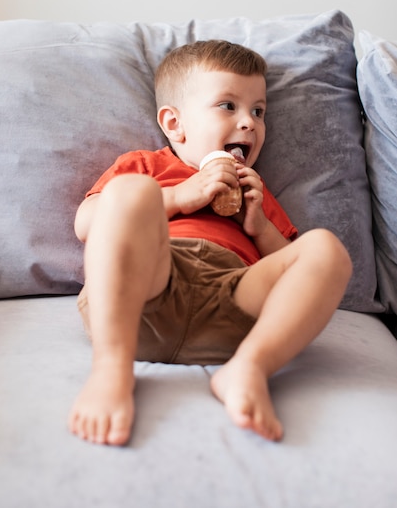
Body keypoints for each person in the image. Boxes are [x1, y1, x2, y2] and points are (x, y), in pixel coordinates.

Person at [68, 40, 352, 446]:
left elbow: (293, 271)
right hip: (146, 292)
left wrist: (259, 229)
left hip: (232, 301)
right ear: (175, 123)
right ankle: (111, 369)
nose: (249, 123)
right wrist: (181, 195)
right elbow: (87, 224)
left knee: (325, 248)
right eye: (228, 106)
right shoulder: (147, 166)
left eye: (258, 111)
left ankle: (249, 367)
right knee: (132, 192)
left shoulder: (257, 192)